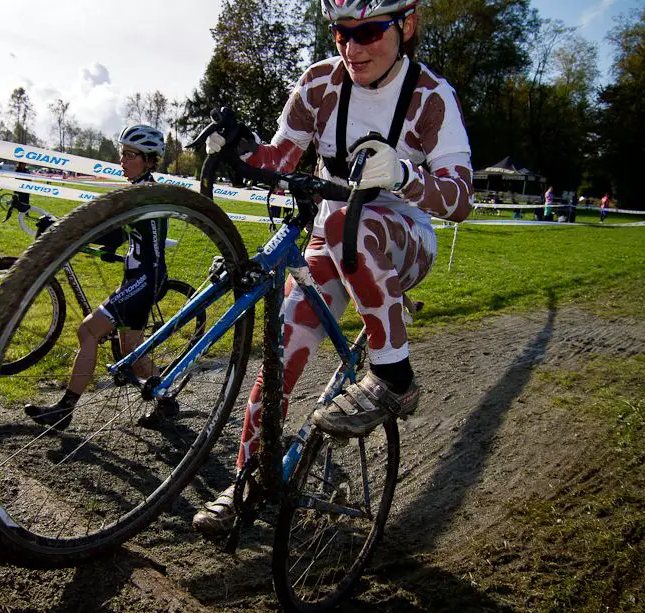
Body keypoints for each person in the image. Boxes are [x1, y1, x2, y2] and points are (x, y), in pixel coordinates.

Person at [192, 0, 473, 536]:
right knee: (278, 359)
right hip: (333, 237)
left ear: (406, 26)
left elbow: (461, 199)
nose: (353, 47)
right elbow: (281, 160)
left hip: (402, 239)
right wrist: (240, 149)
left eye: (369, 32)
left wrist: (405, 175)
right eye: (342, 33)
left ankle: (395, 376)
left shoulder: (431, 96)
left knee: (351, 223)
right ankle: (248, 481)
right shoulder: (320, 82)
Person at [24, 125, 174, 430]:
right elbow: (115, 233)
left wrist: (62, 228)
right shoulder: (140, 190)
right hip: (141, 277)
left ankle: (64, 410)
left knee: (88, 331)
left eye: (130, 155)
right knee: (132, 352)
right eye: (123, 153)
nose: (123, 160)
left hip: (144, 280)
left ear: (148, 160)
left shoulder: (143, 194)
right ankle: (167, 401)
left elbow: (103, 226)